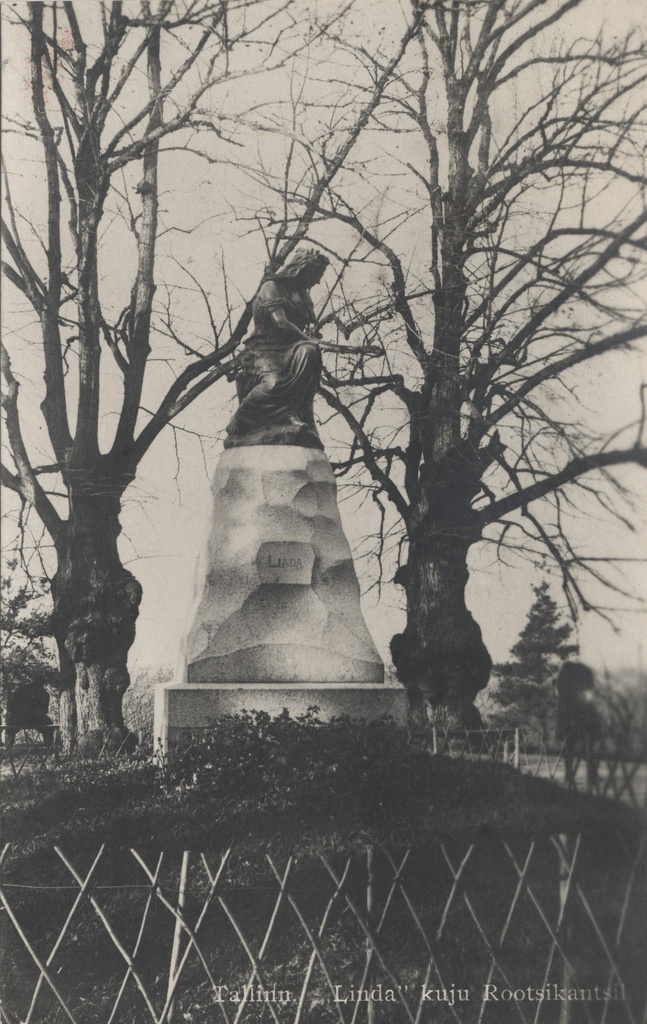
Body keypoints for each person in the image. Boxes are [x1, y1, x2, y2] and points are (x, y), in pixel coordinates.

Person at [225, 249, 330, 448]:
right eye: (316, 275)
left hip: (291, 347)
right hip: (264, 349)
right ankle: (241, 416)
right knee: (273, 382)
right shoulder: (271, 286)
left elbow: (305, 331)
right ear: (303, 268)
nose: (317, 282)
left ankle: (293, 413)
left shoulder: (303, 296)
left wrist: (312, 340)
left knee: (309, 352)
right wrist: (309, 340)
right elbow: (280, 322)